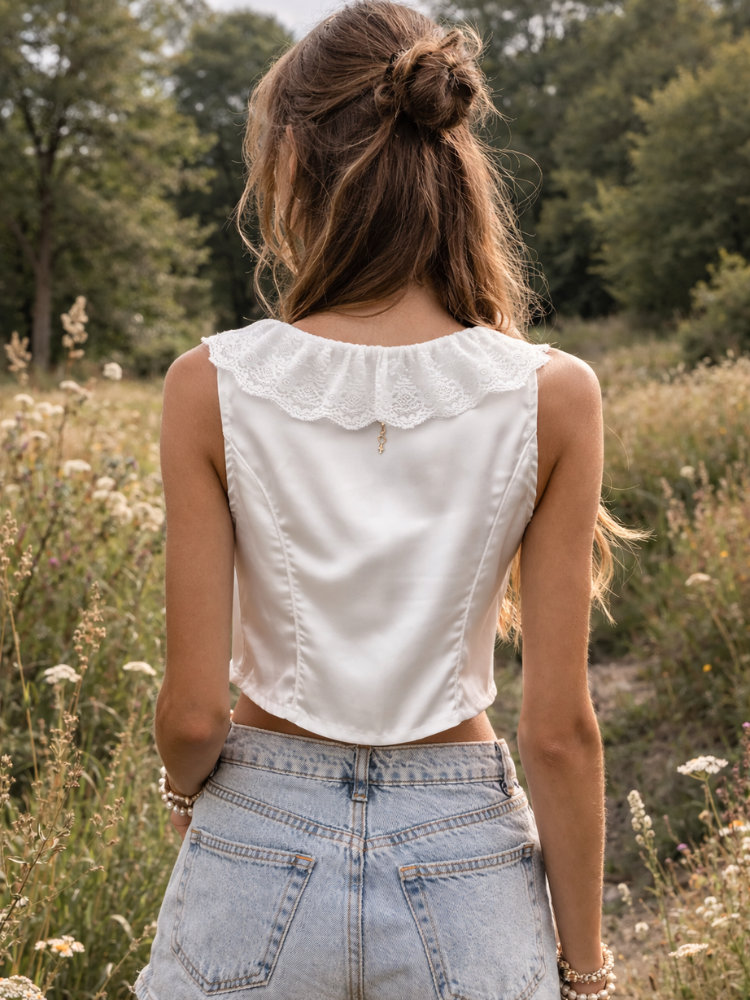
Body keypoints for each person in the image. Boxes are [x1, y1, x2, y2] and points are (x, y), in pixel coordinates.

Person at [135, 3, 639, 998]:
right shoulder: (554, 394)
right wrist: (585, 968)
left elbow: (194, 716)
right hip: (465, 857)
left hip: (258, 834)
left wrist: (185, 789)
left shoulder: (210, 384)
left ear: (290, 164)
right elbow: (558, 731)